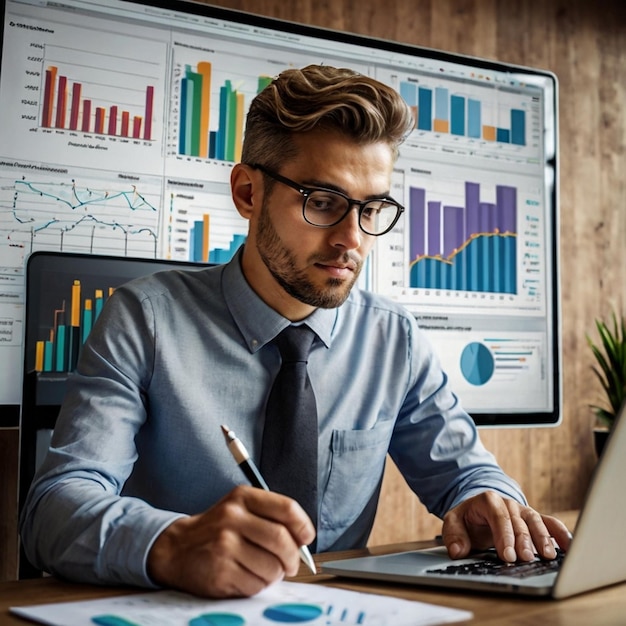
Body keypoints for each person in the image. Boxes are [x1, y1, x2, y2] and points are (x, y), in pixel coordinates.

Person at [20, 64, 570, 599]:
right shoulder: (145, 319)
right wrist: (171, 544)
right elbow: (52, 509)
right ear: (247, 194)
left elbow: (468, 476)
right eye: (323, 203)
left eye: (372, 208)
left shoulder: (393, 339)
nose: (351, 240)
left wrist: (487, 500)